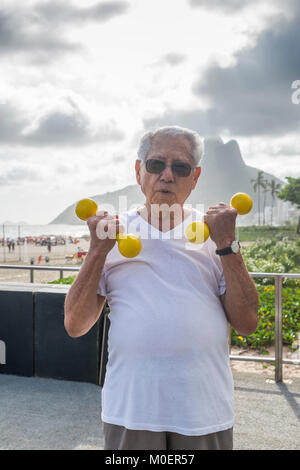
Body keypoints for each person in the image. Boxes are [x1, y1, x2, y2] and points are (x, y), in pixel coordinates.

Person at [64, 126, 259, 450]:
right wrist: (97, 250)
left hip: (204, 413)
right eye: (156, 165)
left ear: (194, 178)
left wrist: (227, 243)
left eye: (180, 167)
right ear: (139, 171)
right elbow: (75, 324)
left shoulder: (215, 234)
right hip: (131, 412)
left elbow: (248, 322)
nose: (167, 175)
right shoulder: (112, 234)